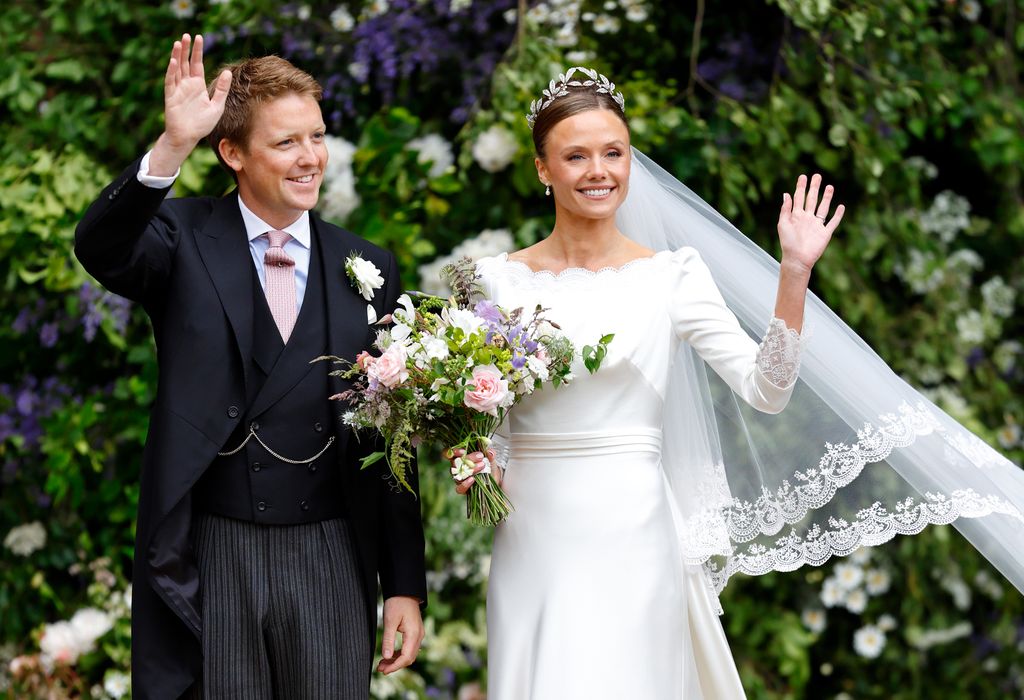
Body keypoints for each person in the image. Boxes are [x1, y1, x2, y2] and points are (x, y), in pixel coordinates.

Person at [450, 67, 1024, 698]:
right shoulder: (491, 282)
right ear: (542, 169)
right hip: (531, 532)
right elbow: (480, 420)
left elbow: (767, 389)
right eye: (576, 155)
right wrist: (474, 459)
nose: (598, 171)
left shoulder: (670, 276)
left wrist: (795, 274)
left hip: (632, 530)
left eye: (613, 152)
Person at [75, 34, 426, 700]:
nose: (310, 158)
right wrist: (172, 146)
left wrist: (405, 582)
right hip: (215, 552)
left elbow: (392, 438)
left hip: (330, 553)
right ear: (232, 153)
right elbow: (100, 246)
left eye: (316, 137)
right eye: (286, 142)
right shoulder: (181, 238)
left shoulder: (370, 266)